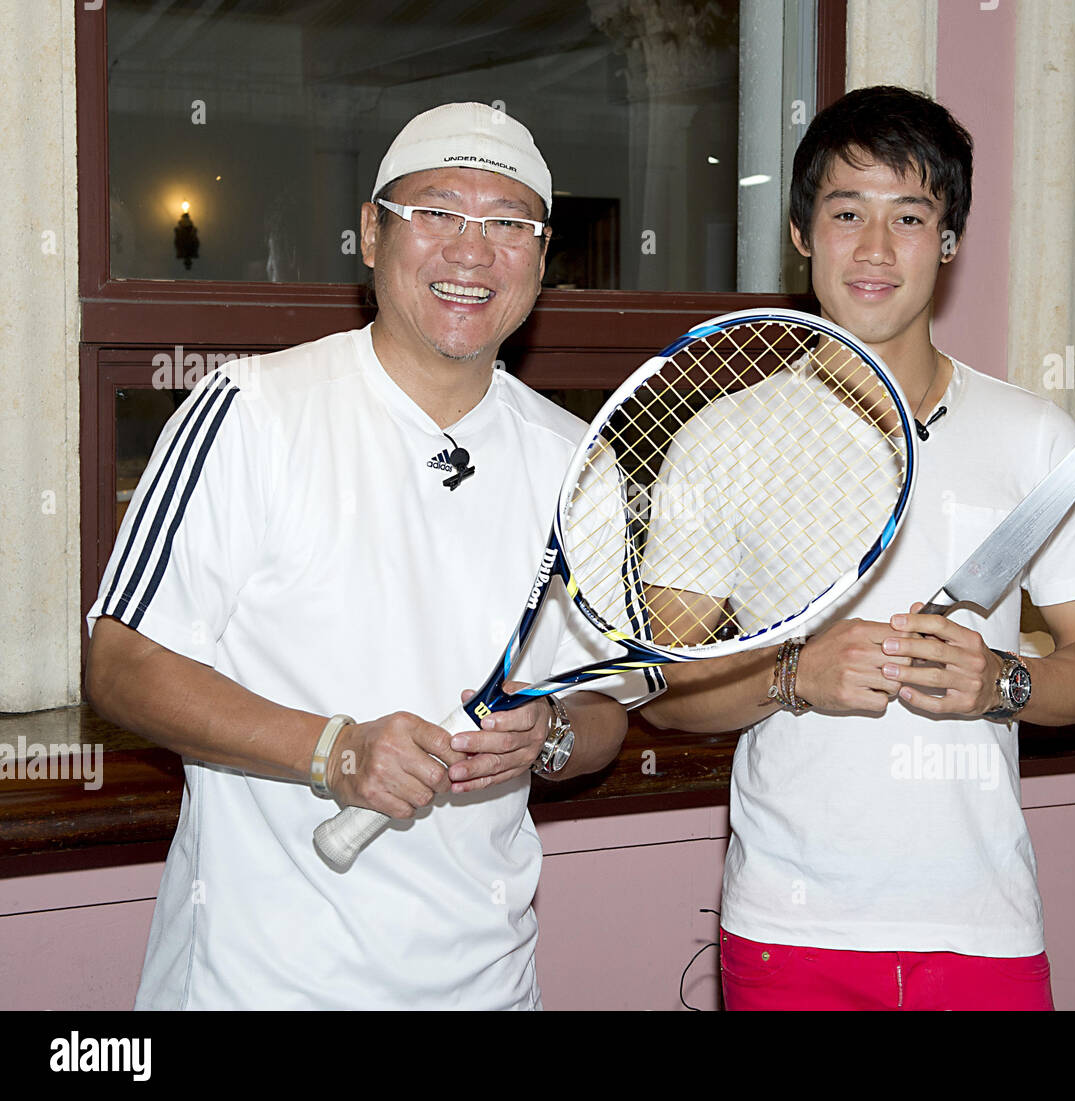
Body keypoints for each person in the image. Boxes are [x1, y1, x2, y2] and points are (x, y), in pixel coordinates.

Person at [85, 102, 657, 1010]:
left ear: (543, 262)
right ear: (369, 234)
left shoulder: (579, 464)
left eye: (510, 223)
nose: (472, 253)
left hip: (490, 984)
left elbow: (603, 713)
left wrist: (546, 738)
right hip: (257, 985)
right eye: (437, 211)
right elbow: (121, 662)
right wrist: (334, 751)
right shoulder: (250, 409)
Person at [640, 86, 1075, 1011]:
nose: (874, 249)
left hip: (981, 929)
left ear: (949, 241)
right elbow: (666, 698)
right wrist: (795, 674)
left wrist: (1003, 681)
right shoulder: (722, 437)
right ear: (800, 233)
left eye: (909, 216)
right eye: (845, 211)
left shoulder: (1035, 436)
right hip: (789, 932)